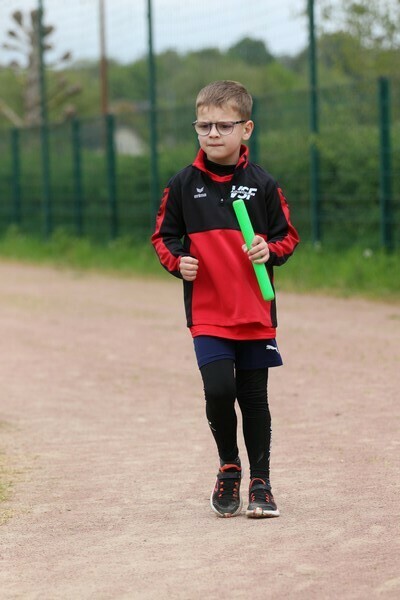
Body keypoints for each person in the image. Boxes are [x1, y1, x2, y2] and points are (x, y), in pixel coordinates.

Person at [151, 80, 299, 518]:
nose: (212, 133)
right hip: (209, 313)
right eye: (204, 125)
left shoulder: (263, 184)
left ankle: (261, 483)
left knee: (254, 398)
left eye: (223, 125)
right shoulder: (182, 185)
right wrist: (178, 261)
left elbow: (287, 236)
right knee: (218, 389)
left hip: (254, 311)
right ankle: (229, 466)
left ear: (246, 129)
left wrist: (268, 249)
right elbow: (163, 236)